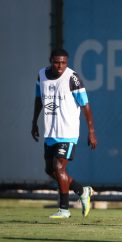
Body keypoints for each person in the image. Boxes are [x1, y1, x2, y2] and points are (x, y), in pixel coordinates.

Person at [31, 48, 97, 219]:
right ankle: (82, 190)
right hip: (50, 132)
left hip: (68, 132)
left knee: (59, 167)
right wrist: (34, 122)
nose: (60, 66)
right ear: (50, 60)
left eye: (63, 63)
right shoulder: (42, 75)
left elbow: (86, 106)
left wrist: (91, 132)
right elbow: (39, 99)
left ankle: (64, 209)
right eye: (56, 62)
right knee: (49, 169)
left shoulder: (72, 78)